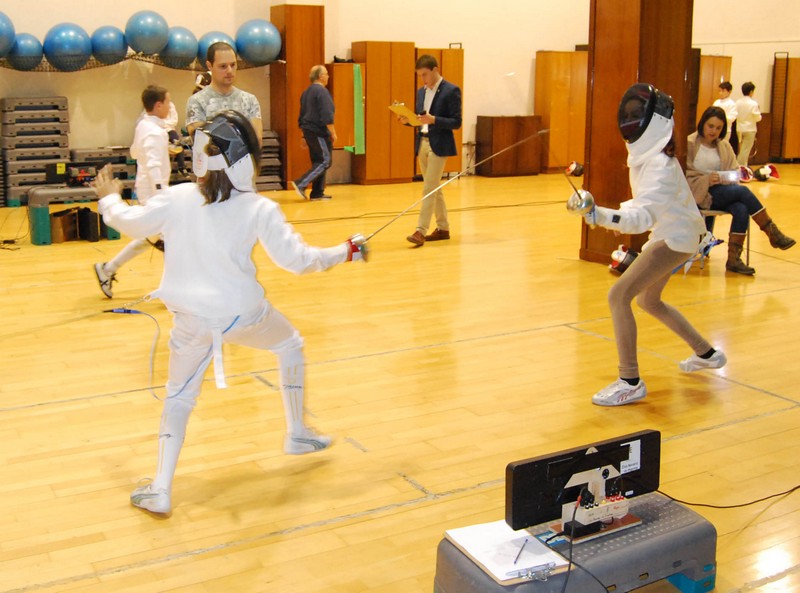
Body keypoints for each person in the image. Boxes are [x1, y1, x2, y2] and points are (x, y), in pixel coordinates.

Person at [91, 111, 368, 515]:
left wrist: (109, 197)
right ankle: (297, 433)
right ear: (246, 159)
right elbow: (300, 261)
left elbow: (130, 223)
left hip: (190, 319)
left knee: (179, 396)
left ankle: (161, 488)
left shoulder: (180, 196)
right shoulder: (259, 208)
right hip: (243, 316)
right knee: (289, 344)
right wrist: (347, 250)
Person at [571, 83, 727, 407]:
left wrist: (599, 215)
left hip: (676, 239)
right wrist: (608, 214)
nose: (630, 120)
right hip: (676, 233)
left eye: (635, 115)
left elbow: (642, 218)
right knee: (649, 301)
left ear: (651, 123)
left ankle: (630, 381)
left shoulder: (659, 165)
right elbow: (645, 205)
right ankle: (707, 353)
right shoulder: (651, 158)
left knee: (619, 295)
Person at [686, 106, 795, 275]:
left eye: (718, 128)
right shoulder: (690, 143)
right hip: (698, 192)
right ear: (702, 124)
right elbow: (685, 174)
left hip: (723, 190)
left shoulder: (724, 146)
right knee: (743, 193)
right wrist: (706, 179)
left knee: (741, 208)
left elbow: (736, 174)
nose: (713, 131)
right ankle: (771, 231)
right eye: (710, 126)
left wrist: (721, 177)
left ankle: (733, 260)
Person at [93, 85, 172, 298]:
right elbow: (154, 165)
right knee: (170, 241)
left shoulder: (144, 125)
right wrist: (161, 193)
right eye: (167, 102)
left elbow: (135, 152)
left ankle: (107, 269)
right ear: (158, 105)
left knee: (150, 237)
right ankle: (171, 290)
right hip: (154, 193)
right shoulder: (155, 132)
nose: (170, 106)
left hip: (145, 188)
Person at [402, 54, 462, 247]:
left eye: (425, 75)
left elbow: (457, 122)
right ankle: (443, 228)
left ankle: (420, 231)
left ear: (435, 70)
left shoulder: (451, 90)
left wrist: (435, 119)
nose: (423, 79)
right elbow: (420, 120)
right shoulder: (421, 92)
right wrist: (408, 120)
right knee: (434, 187)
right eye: (420, 76)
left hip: (439, 144)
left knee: (429, 188)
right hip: (423, 142)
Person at [186, 42, 262, 142]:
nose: (230, 71)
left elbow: (256, 141)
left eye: (233, 65)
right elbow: (201, 142)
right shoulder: (196, 101)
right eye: (223, 66)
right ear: (209, 66)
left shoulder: (250, 100)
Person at [291, 65, 337, 201]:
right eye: (327, 74)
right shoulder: (322, 92)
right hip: (318, 131)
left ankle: (317, 193)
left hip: (308, 130)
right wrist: (333, 132)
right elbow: (327, 114)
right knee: (325, 160)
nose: (328, 76)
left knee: (318, 160)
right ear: (321, 76)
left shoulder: (306, 92)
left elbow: (303, 114)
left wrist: (303, 136)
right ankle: (302, 183)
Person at [734, 81, 761, 167]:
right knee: (745, 150)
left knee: (741, 149)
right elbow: (757, 117)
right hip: (750, 129)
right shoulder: (753, 104)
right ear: (751, 91)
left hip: (739, 128)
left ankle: (744, 167)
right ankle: (739, 167)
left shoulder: (737, 102)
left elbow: (735, 114)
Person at [712, 81, 738, 154]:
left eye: (723, 91)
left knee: (722, 148)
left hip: (726, 129)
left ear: (729, 91)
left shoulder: (732, 104)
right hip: (714, 128)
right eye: (719, 91)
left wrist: (721, 117)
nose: (720, 93)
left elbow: (732, 117)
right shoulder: (716, 102)